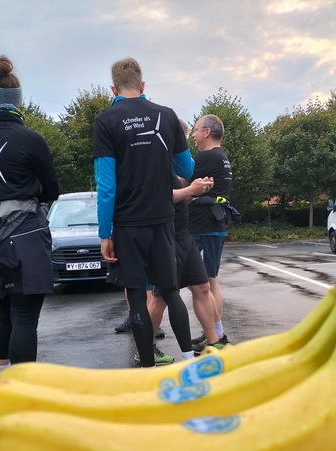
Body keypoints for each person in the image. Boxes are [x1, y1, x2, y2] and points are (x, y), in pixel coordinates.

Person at [94, 57, 194, 367]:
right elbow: (187, 168)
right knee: (170, 291)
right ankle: (190, 359)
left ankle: (148, 366)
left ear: (113, 88)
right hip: (164, 221)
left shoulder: (106, 121)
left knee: (136, 296)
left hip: (127, 224)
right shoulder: (167, 116)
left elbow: (106, 186)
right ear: (143, 85)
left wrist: (104, 233)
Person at [0, 55, 60, 377]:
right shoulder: (30, 139)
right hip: (22, 236)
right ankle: (22, 396)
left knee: (3, 314)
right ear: (19, 102)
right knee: (24, 318)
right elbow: (52, 189)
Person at [149, 173, 221, 358]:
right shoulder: (152, 164)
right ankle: (145, 349)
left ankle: (214, 343)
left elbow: (177, 201)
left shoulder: (170, 168)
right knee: (161, 297)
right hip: (165, 239)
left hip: (183, 236)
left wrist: (194, 192)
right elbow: (158, 198)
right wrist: (191, 189)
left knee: (203, 287)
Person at [188, 114, 233, 352]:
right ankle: (216, 333)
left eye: (195, 130)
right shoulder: (222, 156)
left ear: (206, 132)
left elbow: (184, 181)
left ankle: (217, 337)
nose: (193, 135)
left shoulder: (206, 157)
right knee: (211, 281)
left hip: (203, 227)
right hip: (215, 224)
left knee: (203, 284)